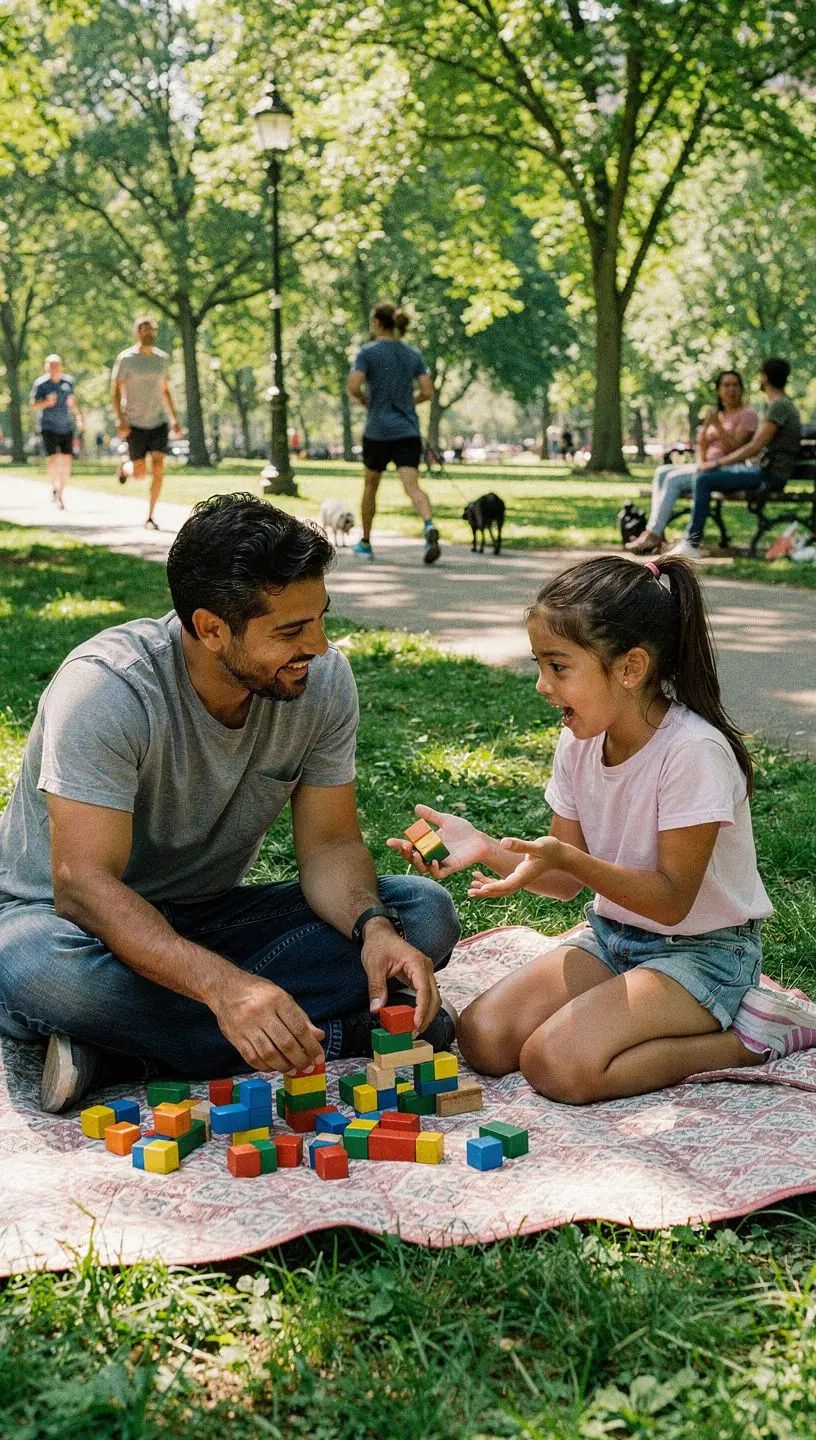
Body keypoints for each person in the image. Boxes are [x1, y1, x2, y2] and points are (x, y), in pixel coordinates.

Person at [0, 494, 460, 1114]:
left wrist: (373, 929)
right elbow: (82, 886)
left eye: (320, 617)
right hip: (67, 925)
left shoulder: (318, 682)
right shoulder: (106, 690)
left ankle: (120, 1053)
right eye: (292, 631)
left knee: (421, 914)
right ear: (212, 628)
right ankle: (343, 1032)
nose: (319, 646)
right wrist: (224, 987)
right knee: (36, 970)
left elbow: (330, 845)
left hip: (207, 919)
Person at [389, 555, 816, 1104]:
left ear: (630, 668)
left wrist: (570, 862)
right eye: (539, 664)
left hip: (703, 951)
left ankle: (750, 1036)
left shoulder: (693, 754)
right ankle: (627, 1007)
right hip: (615, 940)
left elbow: (670, 903)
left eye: (559, 666)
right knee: (484, 1039)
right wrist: (486, 848)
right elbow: (562, 880)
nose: (542, 685)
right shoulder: (578, 741)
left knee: (558, 1064)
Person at [670, 358, 801, 559]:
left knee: (705, 478)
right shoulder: (779, 405)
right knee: (706, 476)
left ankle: (692, 542)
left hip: (770, 476)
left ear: (764, 378)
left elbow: (755, 446)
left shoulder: (779, 406)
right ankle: (691, 541)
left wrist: (717, 463)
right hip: (765, 471)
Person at [347, 302, 441, 564]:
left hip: (377, 431)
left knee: (370, 486)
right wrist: (408, 403)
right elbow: (427, 392)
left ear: (377, 322)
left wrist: (366, 401)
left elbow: (353, 386)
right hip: (407, 430)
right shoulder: (412, 354)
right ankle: (429, 525)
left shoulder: (367, 352)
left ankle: (365, 543)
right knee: (412, 487)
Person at [628, 371, 758, 555]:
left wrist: (718, 427)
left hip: (727, 469)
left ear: (742, 389)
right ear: (718, 390)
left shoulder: (747, 414)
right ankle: (657, 531)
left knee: (673, 479)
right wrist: (700, 462)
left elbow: (736, 447)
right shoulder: (717, 415)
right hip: (705, 467)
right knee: (662, 471)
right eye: (726, 385)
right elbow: (701, 444)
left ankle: (653, 534)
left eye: (735, 385)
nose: (731, 389)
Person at [111, 315, 183, 530]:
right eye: (143, 329)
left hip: (158, 421)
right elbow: (115, 391)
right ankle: (126, 468)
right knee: (140, 473)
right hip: (134, 422)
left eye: (150, 329)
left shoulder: (162, 358)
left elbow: (165, 390)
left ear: (154, 332)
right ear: (137, 333)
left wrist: (174, 419)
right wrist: (121, 419)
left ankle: (150, 516)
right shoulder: (126, 359)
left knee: (159, 466)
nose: (147, 333)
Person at [29, 353, 84, 511]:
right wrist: (46, 402)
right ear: (46, 367)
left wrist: (79, 417)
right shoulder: (41, 384)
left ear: (60, 366)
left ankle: (61, 494)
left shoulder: (68, 382)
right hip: (48, 426)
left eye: (56, 364)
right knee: (53, 460)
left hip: (66, 426)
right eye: (50, 365)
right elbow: (33, 405)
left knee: (66, 461)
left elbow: (73, 402)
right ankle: (54, 486)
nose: (54, 368)